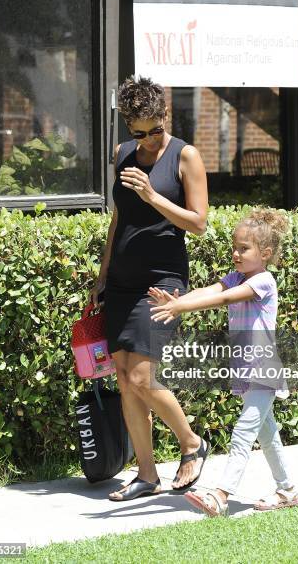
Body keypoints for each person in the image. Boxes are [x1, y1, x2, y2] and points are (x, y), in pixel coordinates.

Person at [90, 76, 210, 501]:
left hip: (163, 282)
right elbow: (118, 221)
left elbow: (198, 223)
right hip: (121, 283)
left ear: (165, 117)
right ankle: (146, 474)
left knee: (142, 375)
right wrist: (103, 276)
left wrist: (153, 196)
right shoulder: (123, 154)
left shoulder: (185, 156)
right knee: (124, 378)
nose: (146, 140)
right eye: (137, 132)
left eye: (153, 130)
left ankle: (191, 442)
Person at [149, 208, 298, 516]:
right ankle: (287, 490)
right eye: (234, 247)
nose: (235, 253)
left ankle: (221, 494)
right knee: (267, 436)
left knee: (244, 434)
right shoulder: (235, 277)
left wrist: (179, 307)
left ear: (266, 253)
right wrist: (179, 301)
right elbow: (212, 290)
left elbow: (225, 299)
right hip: (245, 369)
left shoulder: (264, 281)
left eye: (243, 248)